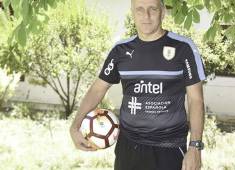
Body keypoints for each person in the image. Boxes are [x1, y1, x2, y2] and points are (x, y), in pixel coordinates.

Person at [70, 0, 206, 169]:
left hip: (169, 148)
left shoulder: (183, 48)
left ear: (162, 12)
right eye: (139, 10)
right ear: (132, 13)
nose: (146, 16)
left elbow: (196, 100)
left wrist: (195, 147)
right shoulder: (120, 50)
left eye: (152, 9)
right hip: (128, 147)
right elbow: (98, 89)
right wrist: (75, 126)